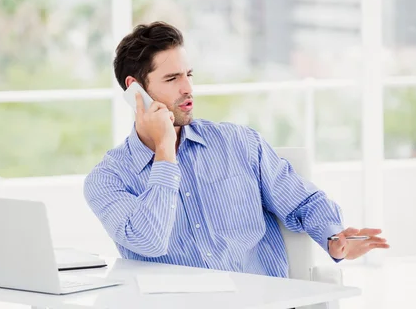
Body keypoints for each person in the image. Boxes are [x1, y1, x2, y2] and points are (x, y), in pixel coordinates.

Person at [83, 21, 389, 277]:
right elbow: (148, 241)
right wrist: (165, 152)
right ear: (136, 90)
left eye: (188, 75)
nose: (187, 88)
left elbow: (303, 201)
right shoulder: (108, 180)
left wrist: (334, 237)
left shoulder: (239, 144)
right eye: (172, 78)